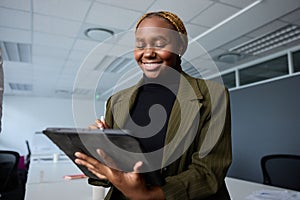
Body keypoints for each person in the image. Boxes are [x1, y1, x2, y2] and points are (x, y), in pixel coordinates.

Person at [74, 11, 232, 200]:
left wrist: (150, 195)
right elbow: (109, 175)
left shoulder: (212, 95)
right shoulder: (117, 101)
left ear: (180, 46)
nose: (148, 53)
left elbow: (209, 172)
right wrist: (98, 149)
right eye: (140, 45)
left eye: (159, 44)